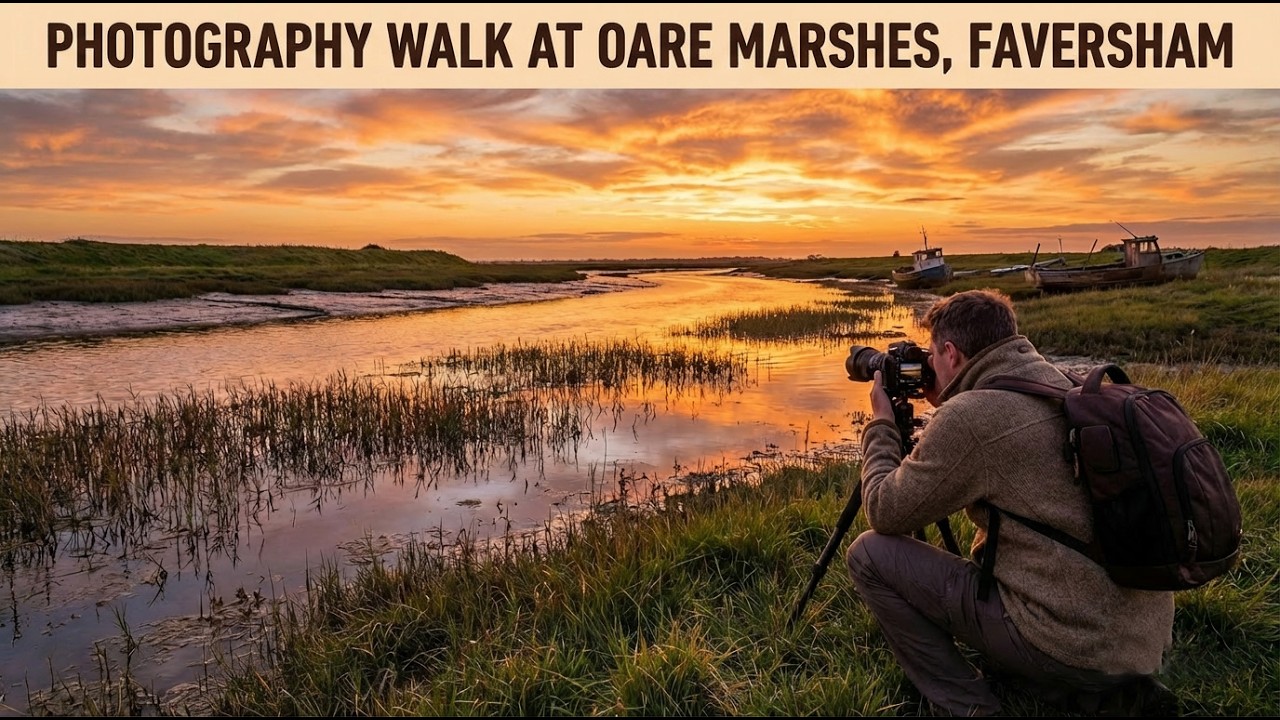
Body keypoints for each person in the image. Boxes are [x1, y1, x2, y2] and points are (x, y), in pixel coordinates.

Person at [844, 289, 1176, 717]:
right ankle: (1085, 683)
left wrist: (882, 425)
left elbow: (885, 510)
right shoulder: (1065, 384)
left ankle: (967, 706)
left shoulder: (971, 416)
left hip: (1075, 645)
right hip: (1144, 642)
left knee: (870, 553)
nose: (927, 366)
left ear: (950, 351)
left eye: (931, 355)